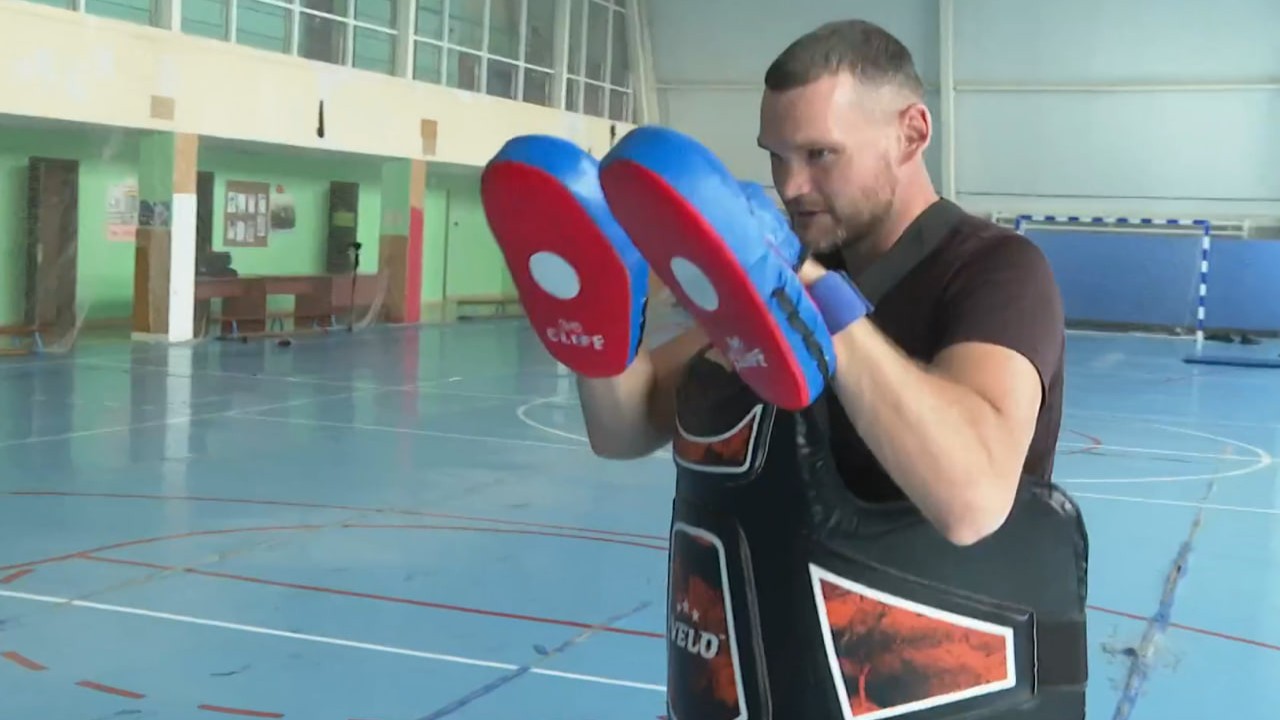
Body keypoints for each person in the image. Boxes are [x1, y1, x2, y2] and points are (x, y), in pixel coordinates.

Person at [481, 19, 1088, 720]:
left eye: (820, 154)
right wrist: (601, 340)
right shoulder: (784, 273)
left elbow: (972, 499)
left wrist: (810, 290)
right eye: (777, 157)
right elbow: (627, 427)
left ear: (911, 134)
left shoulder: (995, 271)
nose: (792, 185)